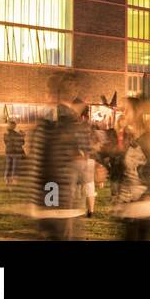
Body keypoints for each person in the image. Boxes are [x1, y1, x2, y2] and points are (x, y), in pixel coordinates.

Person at [25, 72, 90, 240]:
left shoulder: (53, 120)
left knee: (55, 233)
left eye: (48, 90)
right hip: (64, 196)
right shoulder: (72, 121)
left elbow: (43, 161)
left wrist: (44, 202)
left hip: (54, 194)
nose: (45, 95)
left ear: (54, 93)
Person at [115, 96, 150, 241]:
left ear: (137, 113)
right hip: (130, 207)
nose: (122, 112)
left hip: (143, 208)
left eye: (126, 109)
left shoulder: (148, 139)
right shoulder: (131, 139)